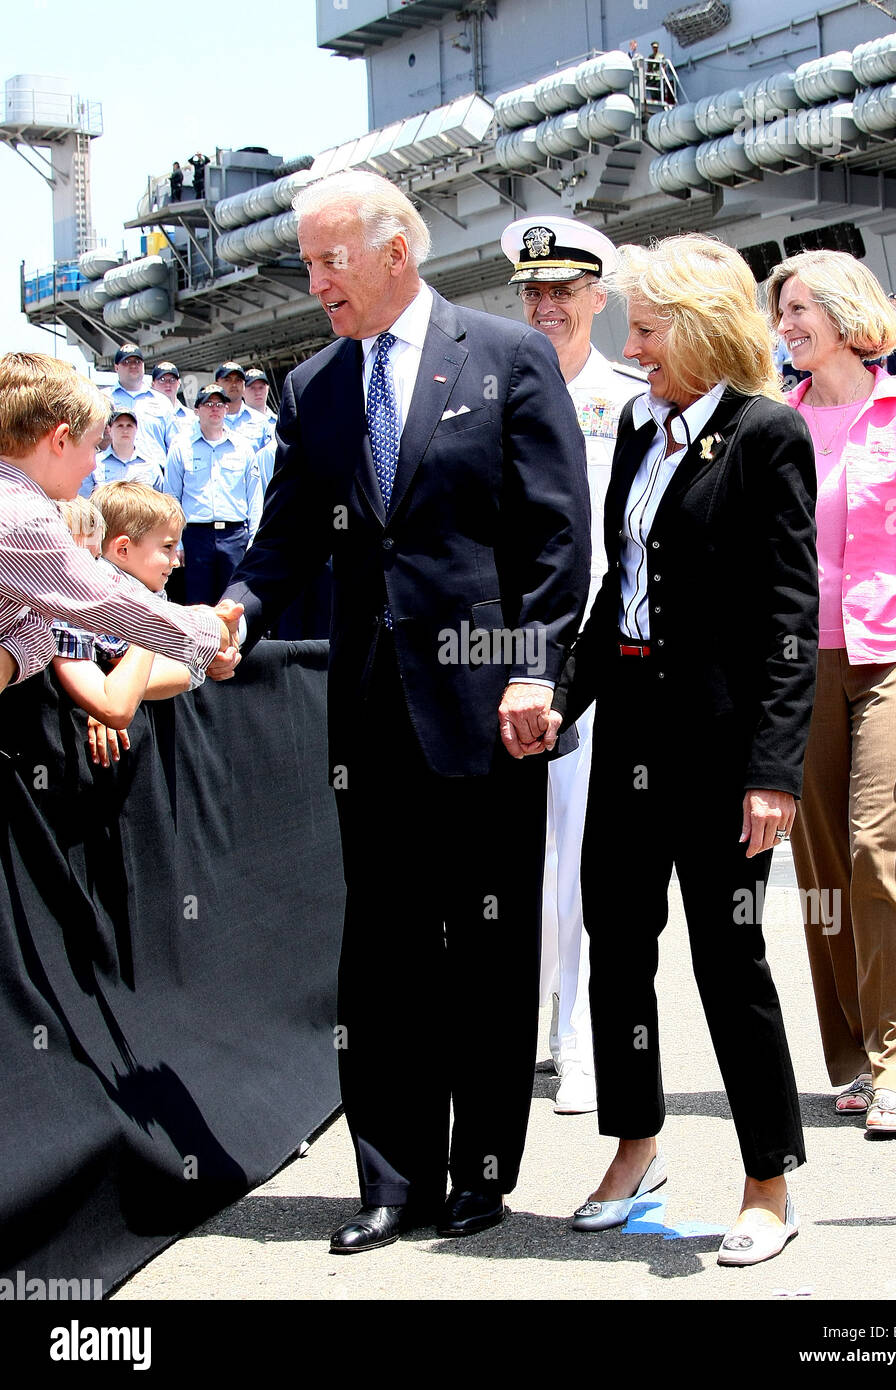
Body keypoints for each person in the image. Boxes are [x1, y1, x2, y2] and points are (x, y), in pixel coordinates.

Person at [220, 170, 590, 1253]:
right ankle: (391, 1178)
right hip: (371, 712)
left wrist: (536, 670)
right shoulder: (315, 386)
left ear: (397, 253)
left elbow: (555, 539)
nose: (316, 279)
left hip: (490, 703)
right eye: (308, 261)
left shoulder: (508, 355)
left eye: (331, 258)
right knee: (381, 950)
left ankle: (481, 1173)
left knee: (483, 939)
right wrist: (235, 610)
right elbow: (286, 537)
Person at [552, 235, 818, 1266]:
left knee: (729, 960)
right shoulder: (635, 423)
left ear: (704, 331)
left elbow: (792, 616)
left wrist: (771, 770)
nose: (635, 346)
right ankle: (636, 1146)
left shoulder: (768, 436)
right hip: (628, 735)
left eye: (651, 330)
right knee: (618, 947)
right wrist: (560, 698)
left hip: (722, 752)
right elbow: (618, 591)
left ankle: (767, 1178)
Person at [769, 250, 896, 1134]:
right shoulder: (777, 422)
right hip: (798, 661)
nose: (786, 324)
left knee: (876, 847)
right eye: (780, 311)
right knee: (818, 867)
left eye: (801, 308)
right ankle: (850, 1059)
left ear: (849, 314)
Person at [499, 214, 644, 1115]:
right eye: (533, 291)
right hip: (508, 648)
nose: (547, 305)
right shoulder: (486, 387)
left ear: (600, 297)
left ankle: (579, 1038)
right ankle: (512, 1031)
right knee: (512, 858)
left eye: (564, 290)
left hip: (598, 650)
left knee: (588, 854)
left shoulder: (632, 397)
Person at [0, 352, 241, 693]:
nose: (92, 464)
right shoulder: (24, 516)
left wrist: (18, 650)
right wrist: (210, 630)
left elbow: (39, 629)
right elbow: (105, 600)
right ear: (61, 440)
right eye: (94, 445)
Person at [52, 482, 203, 741]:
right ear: (122, 549)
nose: (176, 560)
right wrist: (110, 692)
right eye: (167, 547)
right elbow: (120, 683)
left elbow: (189, 667)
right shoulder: (106, 595)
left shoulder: (148, 594)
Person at [164, 384, 262, 604]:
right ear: (197, 410)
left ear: (227, 409)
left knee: (234, 602)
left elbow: (254, 499)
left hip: (235, 536)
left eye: (219, 404)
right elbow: (171, 499)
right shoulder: (181, 447)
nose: (215, 409)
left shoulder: (243, 448)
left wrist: (254, 541)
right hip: (196, 536)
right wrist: (176, 543)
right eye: (208, 404)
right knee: (197, 604)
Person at [103, 344, 177, 469]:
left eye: (137, 361)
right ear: (116, 367)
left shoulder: (162, 402)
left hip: (154, 476)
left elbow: (174, 445)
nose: (133, 365)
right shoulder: (103, 399)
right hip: (113, 475)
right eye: (126, 362)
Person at [80, 408, 164, 497]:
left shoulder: (150, 464)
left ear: (136, 429)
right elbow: (84, 501)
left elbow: (162, 501)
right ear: (109, 429)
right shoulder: (93, 463)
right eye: (120, 425)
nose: (125, 430)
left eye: (129, 425)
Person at [214, 363, 273, 451]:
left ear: (244, 384)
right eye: (227, 380)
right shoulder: (205, 421)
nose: (233, 384)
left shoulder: (261, 421)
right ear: (216, 385)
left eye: (238, 380)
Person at [151, 361, 195, 430]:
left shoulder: (191, 416)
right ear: (153, 384)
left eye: (172, 380)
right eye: (162, 380)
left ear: (179, 383)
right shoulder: (146, 414)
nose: (168, 384)